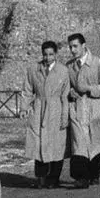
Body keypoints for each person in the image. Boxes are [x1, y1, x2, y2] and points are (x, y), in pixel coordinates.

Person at [66, 33, 100, 188]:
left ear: (83, 45)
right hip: (78, 109)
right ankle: (81, 177)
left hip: (95, 108)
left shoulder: (99, 64)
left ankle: (94, 174)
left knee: (95, 142)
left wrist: (89, 88)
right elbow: (66, 86)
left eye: (75, 46)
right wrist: (70, 92)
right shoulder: (69, 66)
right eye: (70, 46)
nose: (72, 50)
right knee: (79, 143)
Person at [21, 41, 70, 189]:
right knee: (39, 145)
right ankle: (41, 177)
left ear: (56, 54)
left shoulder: (63, 71)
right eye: (45, 54)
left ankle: (53, 178)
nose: (48, 58)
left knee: (57, 145)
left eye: (51, 54)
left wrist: (64, 116)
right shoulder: (34, 69)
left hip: (56, 109)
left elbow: (65, 95)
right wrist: (24, 107)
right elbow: (27, 89)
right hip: (39, 108)